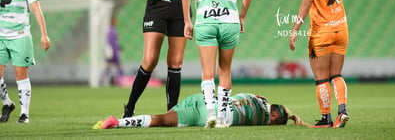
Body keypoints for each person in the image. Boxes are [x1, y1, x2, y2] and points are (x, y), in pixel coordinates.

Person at [182, 0, 252, 127]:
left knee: (207, 73)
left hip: (205, 22)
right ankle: (222, 118)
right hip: (230, 22)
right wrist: (242, 16)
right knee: (225, 72)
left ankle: (211, 114)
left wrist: (188, 21)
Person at [289, 0, 349, 128]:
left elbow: (305, 5)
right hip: (341, 29)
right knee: (336, 74)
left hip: (321, 32)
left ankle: (326, 118)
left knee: (321, 77)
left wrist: (295, 29)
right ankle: (343, 110)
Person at [0, 0, 51, 123]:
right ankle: (7, 102)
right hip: (0, 36)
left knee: (20, 75)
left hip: (20, 36)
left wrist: (44, 34)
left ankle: (24, 114)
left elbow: (37, 9)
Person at [93, 92, 308, 129]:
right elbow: (278, 114)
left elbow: (279, 108)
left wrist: (292, 115)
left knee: (164, 117)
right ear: (272, 118)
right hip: (208, 114)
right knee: (160, 120)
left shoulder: (258, 98)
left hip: (203, 98)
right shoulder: (262, 120)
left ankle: (122, 121)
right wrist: (295, 119)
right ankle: (117, 122)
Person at [100, 15, 123, 86]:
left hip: (110, 51)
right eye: (116, 20)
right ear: (113, 22)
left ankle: (101, 80)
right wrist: (116, 50)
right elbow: (111, 43)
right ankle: (119, 81)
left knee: (109, 66)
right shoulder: (111, 31)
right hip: (112, 52)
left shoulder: (110, 30)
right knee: (118, 67)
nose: (117, 22)